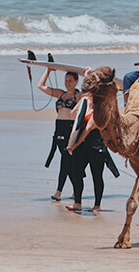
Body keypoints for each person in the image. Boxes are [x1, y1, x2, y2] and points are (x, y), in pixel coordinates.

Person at [36, 68, 78, 202]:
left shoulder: (79, 96)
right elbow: (40, 86)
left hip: (71, 131)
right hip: (58, 130)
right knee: (69, 163)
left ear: (76, 82)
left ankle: (58, 192)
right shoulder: (60, 94)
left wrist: (88, 75)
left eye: (71, 81)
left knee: (65, 161)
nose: (68, 83)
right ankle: (77, 190)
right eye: (66, 80)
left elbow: (92, 94)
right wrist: (48, 70)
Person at [64, 96, 107, 214]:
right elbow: (73, 116)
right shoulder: (85, 101)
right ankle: (77, 203)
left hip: (96, 144)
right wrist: (81, 102)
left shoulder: (100, 107)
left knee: (96, 175)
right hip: (82, 145)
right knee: (75, 171)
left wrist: (74, 145)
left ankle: (97, 205)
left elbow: (88, 128)